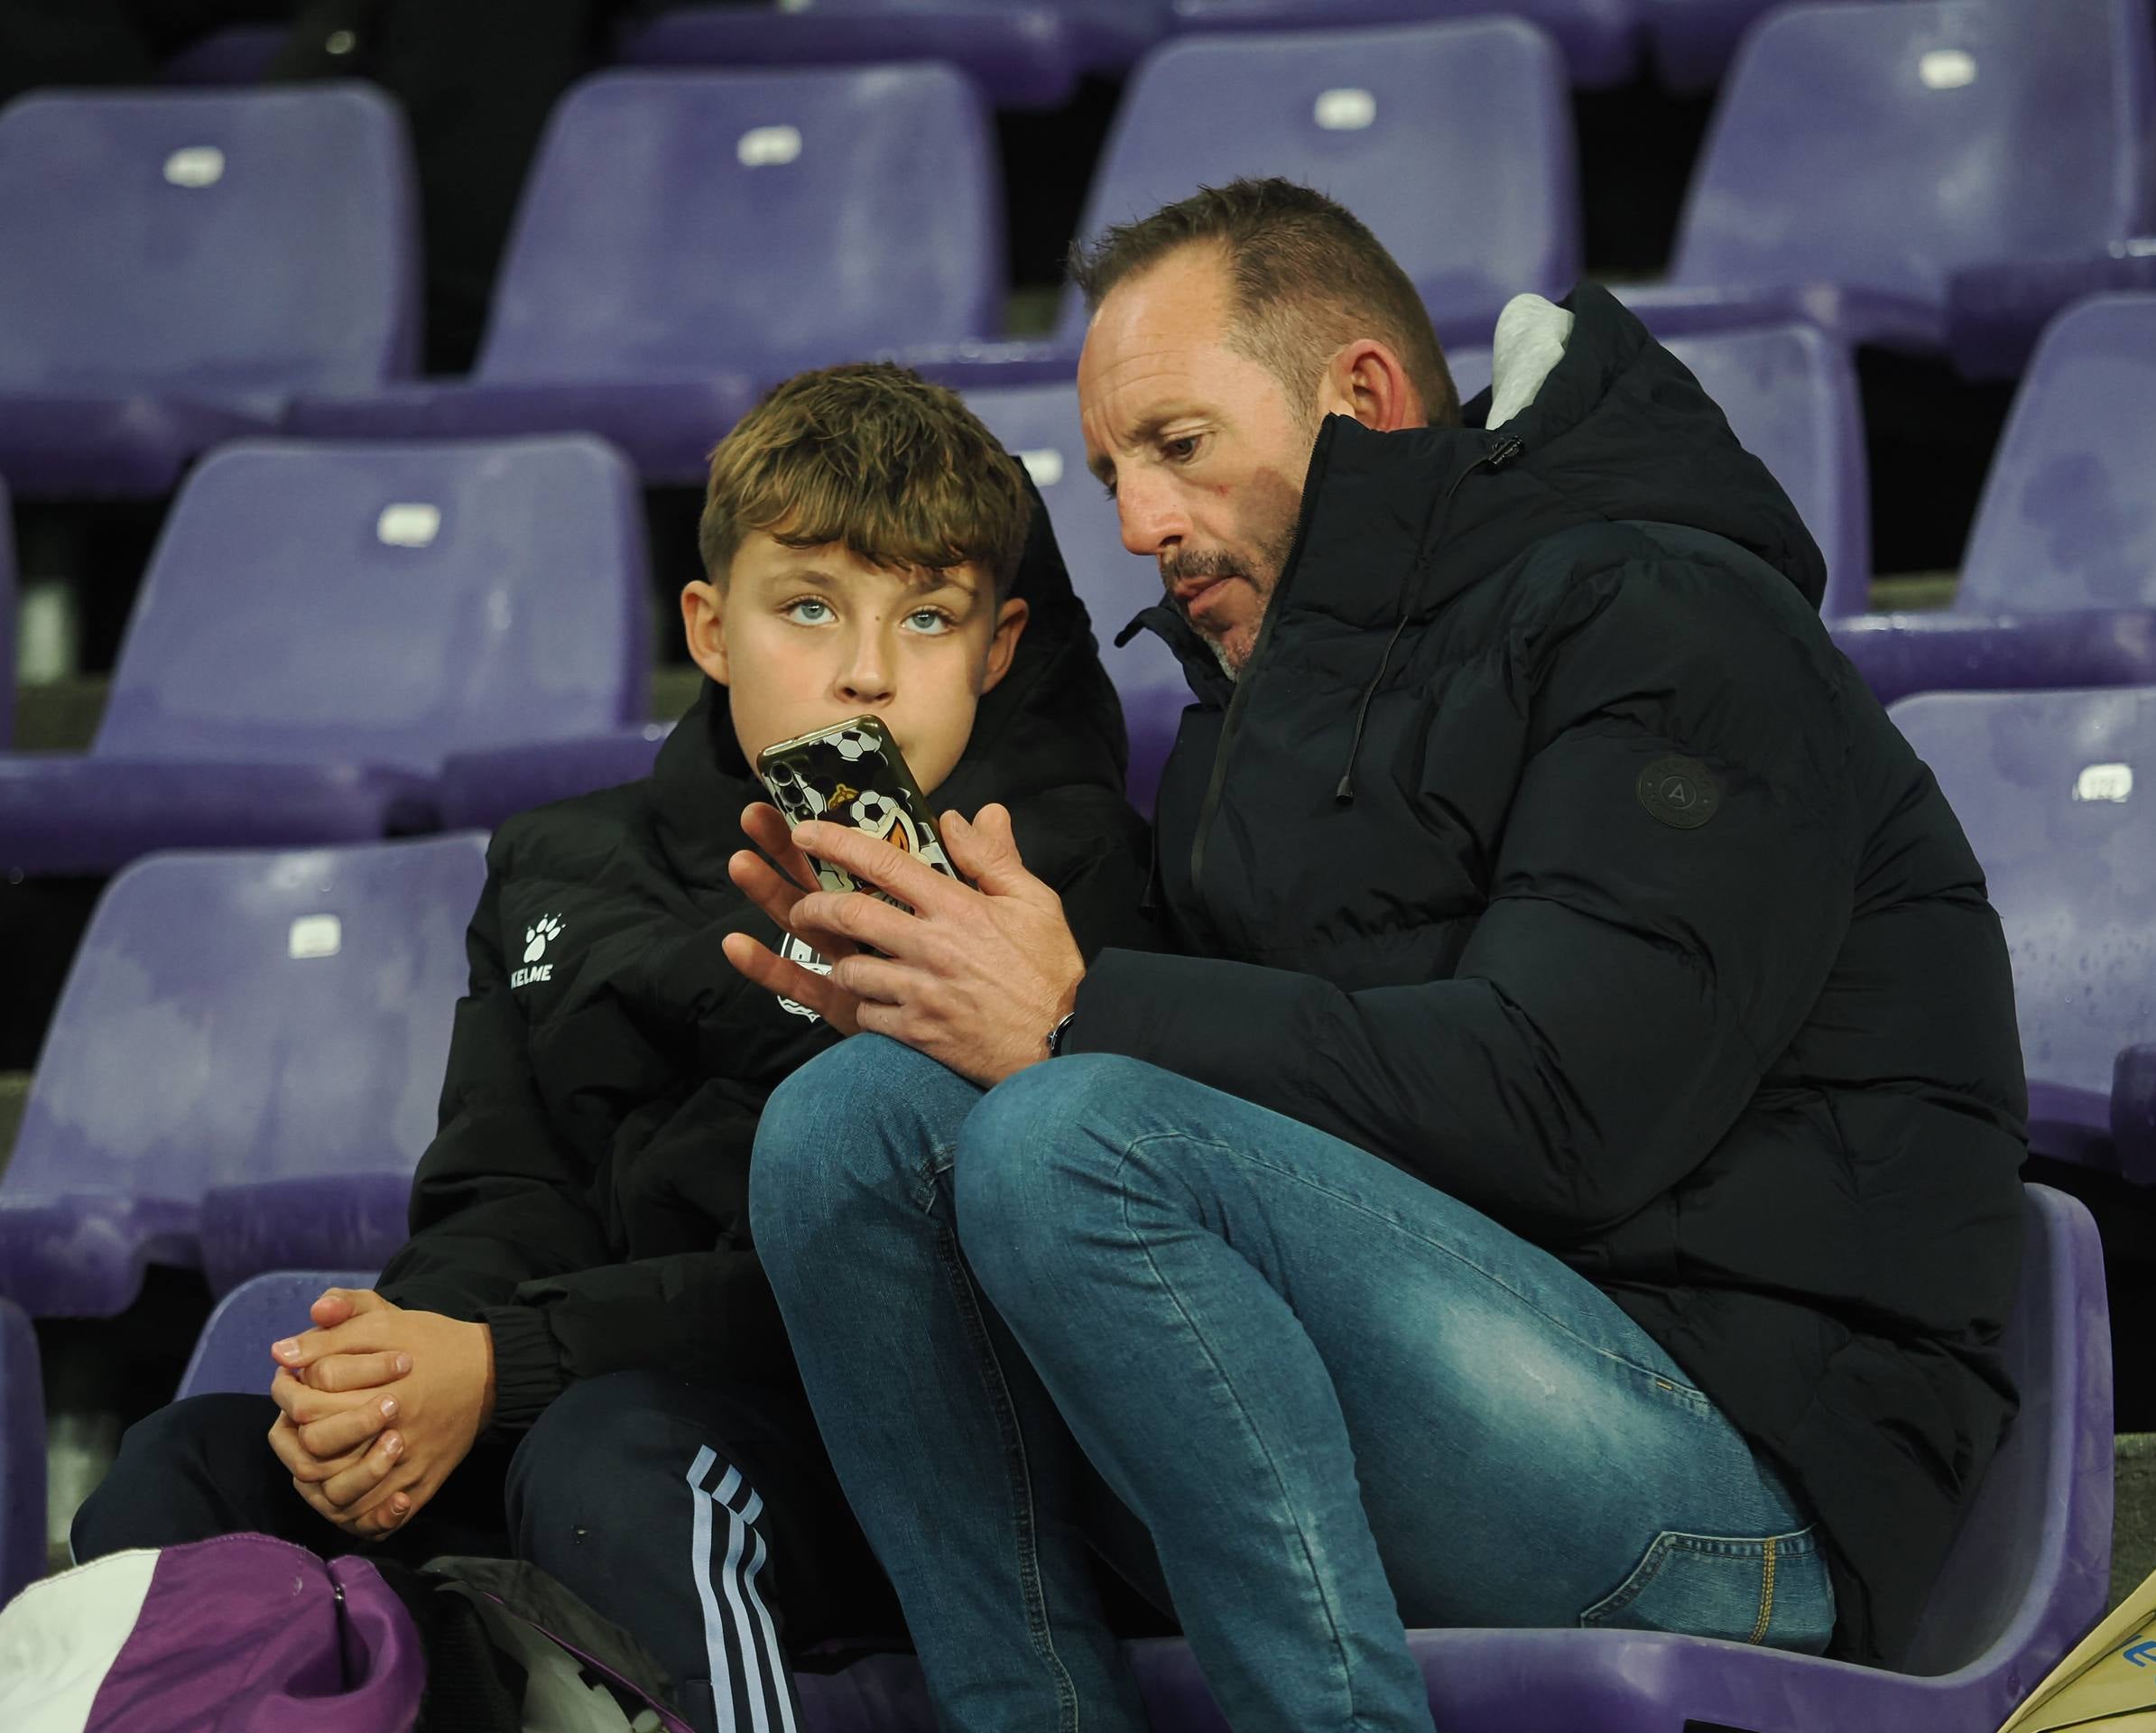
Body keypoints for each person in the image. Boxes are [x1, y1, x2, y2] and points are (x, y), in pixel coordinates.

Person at [734, 180, 2031, 1731]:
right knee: (852, 1126)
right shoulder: (1251, 734)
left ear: (1362, 394)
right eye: (1111, 476)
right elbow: (1239, 1110)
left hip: (1733, 1476)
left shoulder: (1671, 616)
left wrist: (1073, 1010)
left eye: (1179, 447)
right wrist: (936, 972)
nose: (1138, 523)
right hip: (1456, 1379)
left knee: (1072, 1139)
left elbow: (1568, 1109)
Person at [71, 363, 1152, 1733]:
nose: (866, 669)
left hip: (850, 1440)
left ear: (997, 650)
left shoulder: (1037, 888)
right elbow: (496, 1190)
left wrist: (506, 1365)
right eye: (808, 606)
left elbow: (878, 1270)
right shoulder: (558, 861)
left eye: (926, 618)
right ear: (709, 625)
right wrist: (402, 1372)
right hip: (549, 1392)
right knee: (190, 1464)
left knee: (617, 1460)